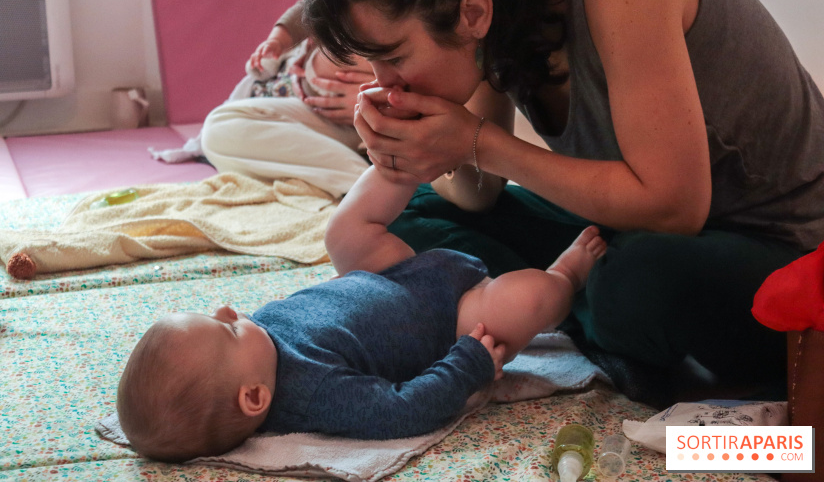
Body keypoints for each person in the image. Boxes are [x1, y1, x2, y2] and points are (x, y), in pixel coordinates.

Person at [301, 0, 824, 396]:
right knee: (409, 216)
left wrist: (475, 141)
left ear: (473, 13)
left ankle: (571, 307)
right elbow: (479, 193)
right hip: (630, 226)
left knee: (637, 282)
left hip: (781, 248)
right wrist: (408, 158)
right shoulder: (493, 11)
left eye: (393, 57)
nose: (385, 82)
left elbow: (676, 208)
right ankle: (568, 302)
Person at [115, 165, 607, 462]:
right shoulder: (315, 394)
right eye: (227, 331)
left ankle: (399, 163)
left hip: (385, 274)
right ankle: (568, 274)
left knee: (341, 233)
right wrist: (468, 363)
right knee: (524, 303)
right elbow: (402, 409)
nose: (227, 309)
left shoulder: (256, 345)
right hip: (451, 317)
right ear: (254, 398)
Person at [199, 1, 375, 197]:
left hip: (379, 127)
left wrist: (378, 101)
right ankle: (359, 185)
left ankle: (365, 188)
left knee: (220, 130)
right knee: (219, 130)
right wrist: (278, 40)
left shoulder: (406, 3)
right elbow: (311, 6)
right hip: (316, 115)